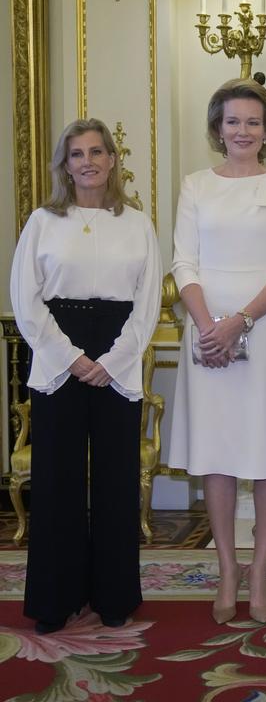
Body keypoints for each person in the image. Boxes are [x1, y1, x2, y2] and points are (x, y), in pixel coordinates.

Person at [168, 78, 266, 625]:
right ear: (217, 129)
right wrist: (211, 328)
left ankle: (262, 567)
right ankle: (228, 567)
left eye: (253, 122)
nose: (243, 131)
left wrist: (241, 323)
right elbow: (184, 263)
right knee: (220, 451)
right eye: (233, 121)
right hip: (207, 333)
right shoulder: (196, 185)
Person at [11, 118, 161, 633]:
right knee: (57, 482)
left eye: (98, 152)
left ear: (113, 160)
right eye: (77, 154)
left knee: (118, 480)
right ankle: (57, 598)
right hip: (58, 349)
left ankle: (114, 596)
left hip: (117, 352)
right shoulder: (43, 222)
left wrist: (113, 360)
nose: (89, 162)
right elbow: (24, 298)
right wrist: (70, 357)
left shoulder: (137, 223)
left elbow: (147, 304)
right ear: (65, 165)